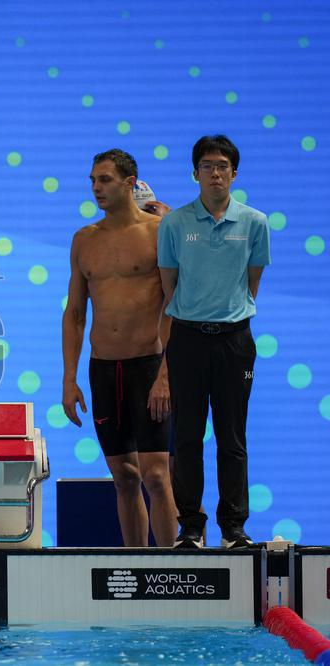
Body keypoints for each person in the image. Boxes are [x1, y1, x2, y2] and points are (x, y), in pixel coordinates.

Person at [158, 135, 271, 549]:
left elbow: (251, 283)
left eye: (223, 165)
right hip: (187, 339)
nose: (216, 172)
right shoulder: (174, 224)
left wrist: (225, 315)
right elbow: (169, 287)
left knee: (232, 436)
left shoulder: (255, 222)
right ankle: (190, 527)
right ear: (195, 173)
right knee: (186, 436)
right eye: (207, 166)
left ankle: (233, 527)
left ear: (234, 173)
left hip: (234, 340)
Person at [62, 149, 178, 548]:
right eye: (93, 180)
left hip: (148, 366)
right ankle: (137, 565)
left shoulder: (159, 233)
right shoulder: (84, 240)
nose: (96, 187)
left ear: (130, 183)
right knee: (124, 478)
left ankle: (174, 570)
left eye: (105, 179)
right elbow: (74, 313)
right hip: (103, 370)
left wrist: (165, 374)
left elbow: (176, 305)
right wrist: (69, 378)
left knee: (157, 477)